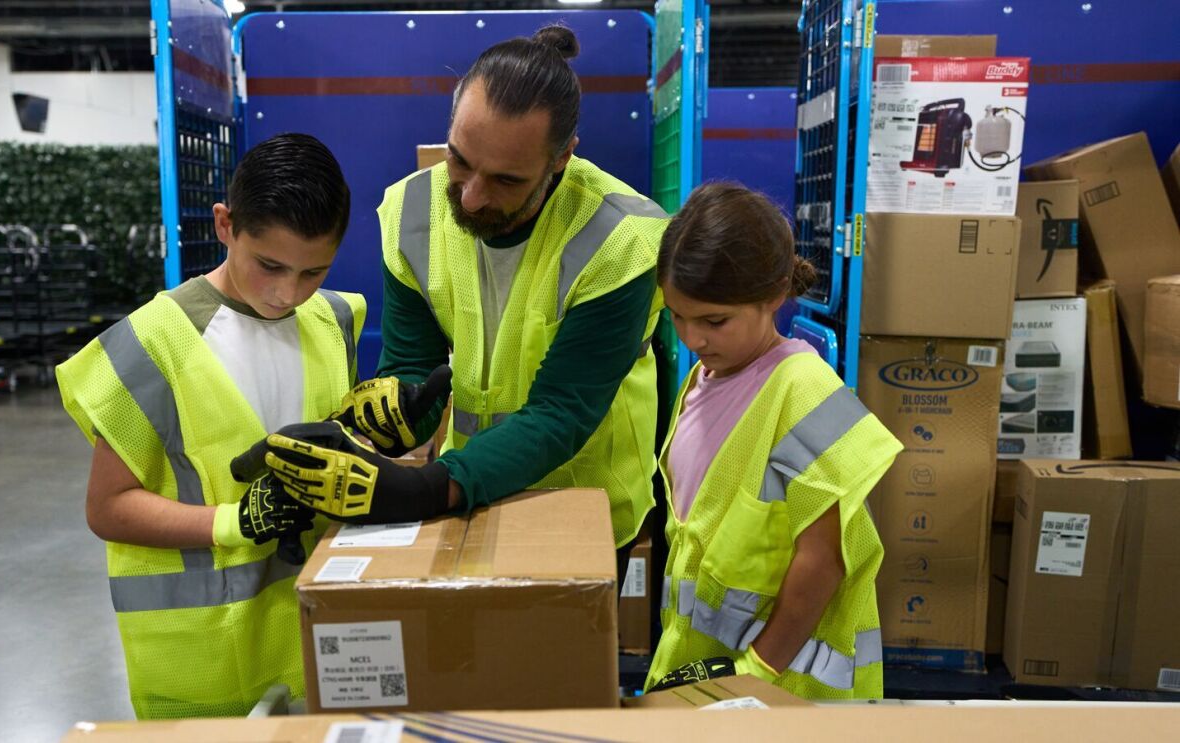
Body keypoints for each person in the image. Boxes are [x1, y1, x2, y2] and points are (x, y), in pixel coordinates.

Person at [237, 25, 670, 579]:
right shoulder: (411, 212)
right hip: (470, 497)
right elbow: (411, 359)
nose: (470, 195)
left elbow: (563, 411)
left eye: (507, 180)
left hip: (577, 503)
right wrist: (396, 416)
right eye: (460, 160)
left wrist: (423, 488)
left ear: (562, 158)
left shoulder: (623, 239)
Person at [56, 133, 365, 719]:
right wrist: (236, 520)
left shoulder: (333, 321)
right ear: (226, 225)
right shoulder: (155, 342)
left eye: (313, 272)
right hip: (203, 665)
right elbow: (108, 508)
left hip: (316, 644)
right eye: (270, 265)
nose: (287, 292)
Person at [643, 182, 902, 700]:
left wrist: (757, 672)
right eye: (677, 315)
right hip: (706, 672)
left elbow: (823, 560)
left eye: (715, 321)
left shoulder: (802, 391)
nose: (692, 338)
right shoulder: (700, 381)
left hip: (785, 689)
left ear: (775, 294)